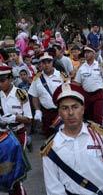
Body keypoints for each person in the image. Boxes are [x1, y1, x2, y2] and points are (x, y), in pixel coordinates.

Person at [41, 83, 103, 195]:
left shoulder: (99, 134)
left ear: (83, 109)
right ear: (59, 112)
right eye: (65, 108)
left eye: (75, 107)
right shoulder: (51, 148)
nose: (70, 113)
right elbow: (53, 189)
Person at [0, 66, 32, 195]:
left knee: (16, 169)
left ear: (11, 79)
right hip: (3, 137)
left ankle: (17, 190)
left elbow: (29, 119)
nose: (0, 83)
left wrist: (15, 117)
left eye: (3, 80)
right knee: (6, 169)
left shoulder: (21, 94)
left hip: (18, 134)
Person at [28, 53, 67, 137]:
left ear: (52, 62)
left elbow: (69, 93)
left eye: (49, 62)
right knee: (49, 138)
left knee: (63, 136)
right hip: (46, 113)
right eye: (44, 63)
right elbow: (34, 96)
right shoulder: (37, 78)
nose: (46, 65)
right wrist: (37, 110)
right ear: (40, 64)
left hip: (60, 112)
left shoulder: (61, 76)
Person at [73, 46, 103, 124]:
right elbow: (77, 83)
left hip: (98, 94)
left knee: (97, 117)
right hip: (86, 95)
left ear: (94, 53)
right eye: (85, 53)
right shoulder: (81, 68)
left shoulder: (100, 65)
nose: (86, 54)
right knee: (87, 117)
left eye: (88, 52)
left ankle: (99, 134)